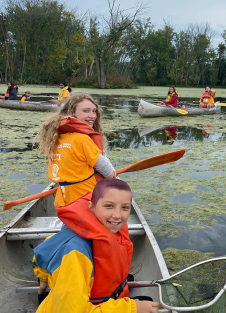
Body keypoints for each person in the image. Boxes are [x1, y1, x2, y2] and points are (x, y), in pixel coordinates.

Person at [33, 179, 159, 313]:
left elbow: (47, 248)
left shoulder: (109, 227)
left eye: (125, 207)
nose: (117, 215)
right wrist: (132, 308)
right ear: (92, 207)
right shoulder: (75, 255)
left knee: (147, 301)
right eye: (109, 206)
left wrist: (43, 277)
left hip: (100, 300)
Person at [38, 93, 116, 207]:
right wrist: (114, 175)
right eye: (86, 111)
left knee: (70, 223)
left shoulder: (56, 137)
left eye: (94, 111)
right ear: (71, 112)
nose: (92, 116)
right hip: (86, 199)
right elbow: (108, 172)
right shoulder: (82, 139)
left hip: (64, 199)